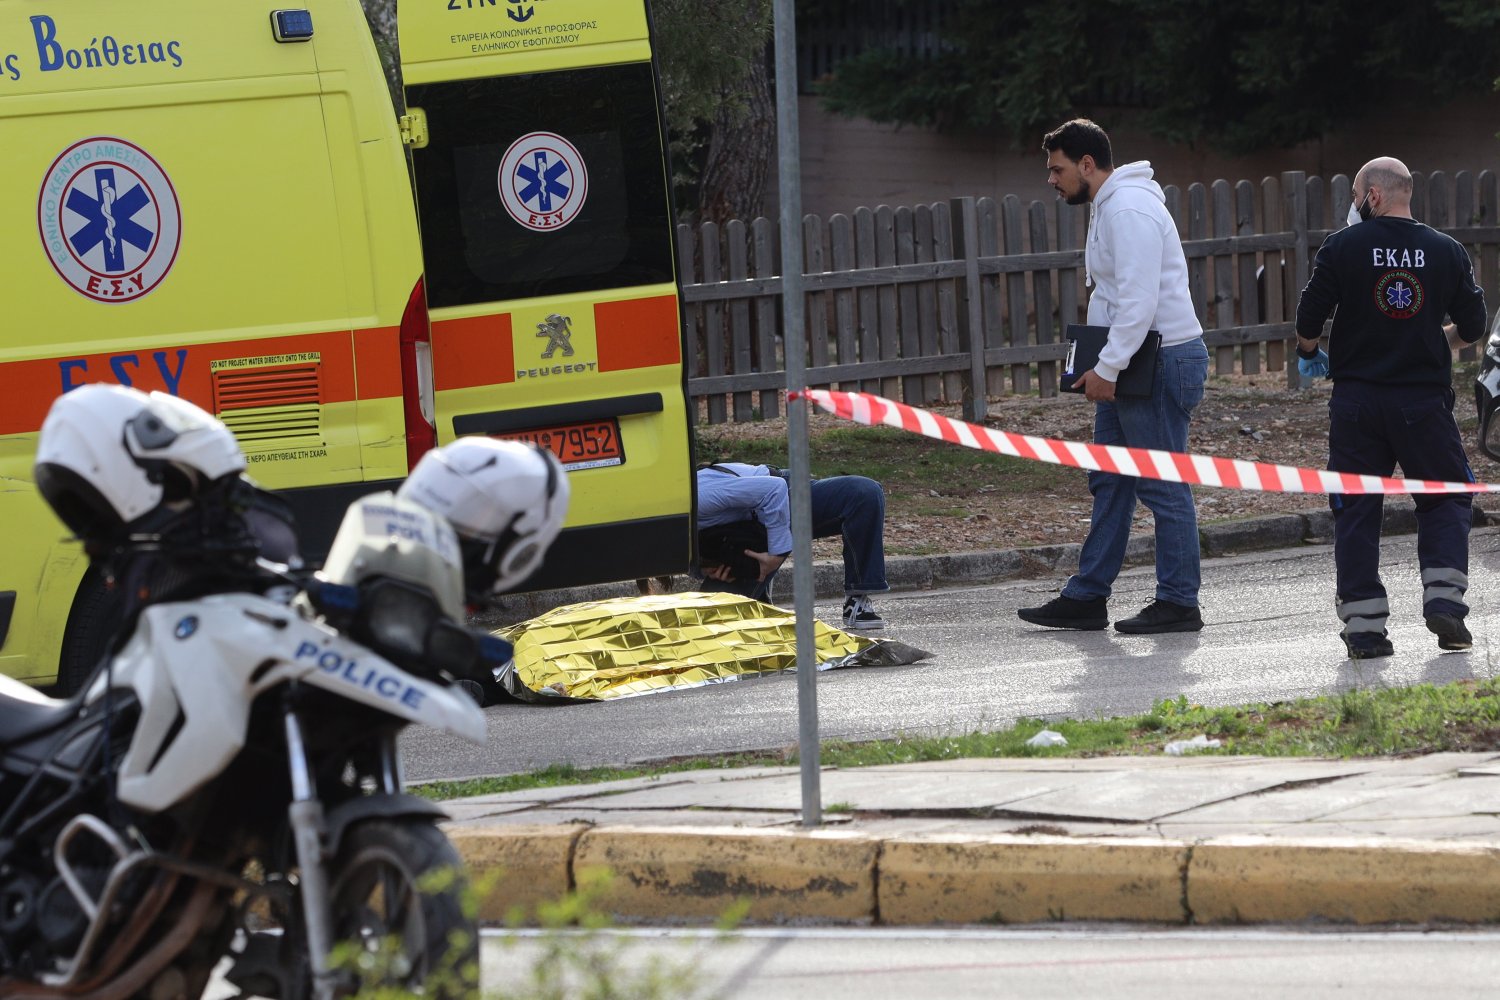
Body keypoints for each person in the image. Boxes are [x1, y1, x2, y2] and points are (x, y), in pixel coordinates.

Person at [1018, 118, 1211, 635]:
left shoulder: (1127, 209)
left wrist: (1105, 368)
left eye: (1057, 169)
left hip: (1159, 360)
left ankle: (1178, 602)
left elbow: (1139, 302)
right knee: (1112, 481)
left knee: (1163, 485)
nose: (1051, 180)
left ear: (1087, 164)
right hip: (1136, 360)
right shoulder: (1111, 205)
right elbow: (1114, 297)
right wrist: (1099, 363)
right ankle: (1087, 596)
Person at [1294, 157, 1487, 659]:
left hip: (1356, 403)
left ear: (1372, 197)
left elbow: (1309, 315)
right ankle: (1444, 600)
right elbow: (1474, 324)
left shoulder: (1342, 246)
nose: (1353, 205)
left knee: (1356, 507)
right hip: (1422, 403)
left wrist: (1311, 352)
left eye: (1356, 194)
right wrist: (1439, 339)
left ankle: (1364, 631)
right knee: (1445, 496)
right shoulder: (1446, 251)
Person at [695, 462, 889, 629]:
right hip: (743, 529)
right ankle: (761, 596)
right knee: (709, 623)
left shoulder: (698, 496)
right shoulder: (674, 516)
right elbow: (678, 555)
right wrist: (704, 568)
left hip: (781, 494)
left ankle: (857, 600)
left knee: (865, 494)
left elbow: (774, 489)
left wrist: (775, 555)